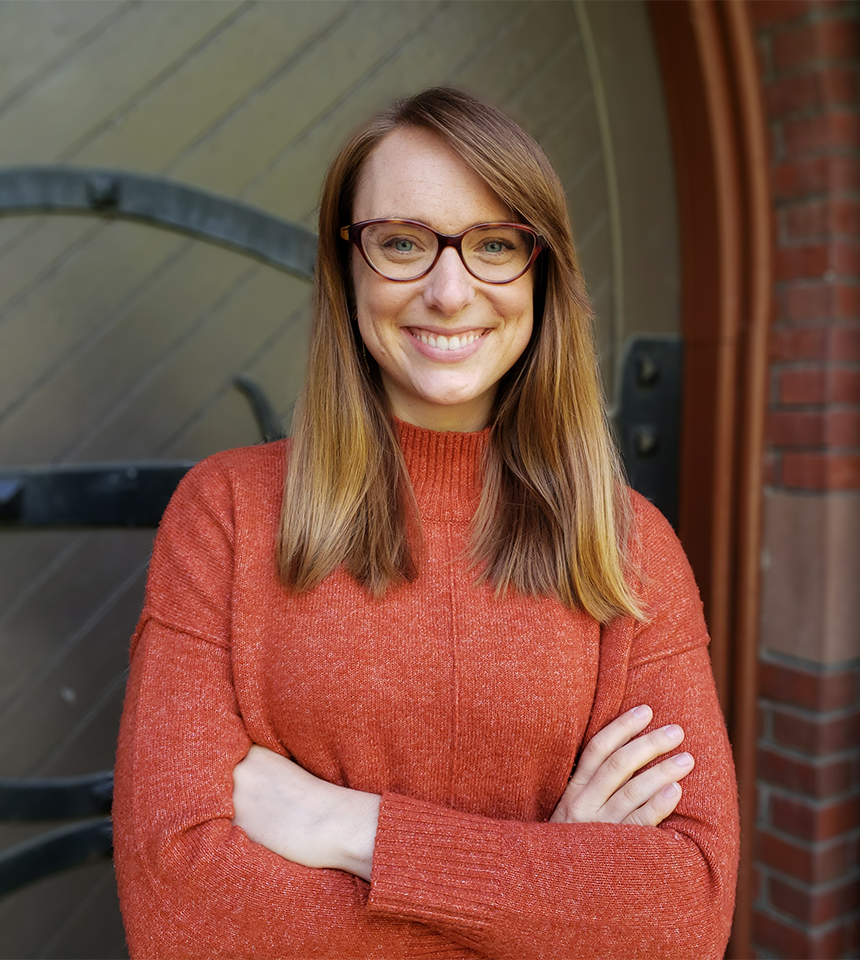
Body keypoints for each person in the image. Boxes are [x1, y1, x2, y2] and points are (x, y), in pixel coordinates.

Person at [113, 87, 739, 959]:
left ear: (542, 273)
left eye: (495, 245)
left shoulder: (628, 547)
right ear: (348, 266)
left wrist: (348, 827)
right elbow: (178, 913)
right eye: (403, 243)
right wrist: (554, 886)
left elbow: (685, 917)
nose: (449, 291)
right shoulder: (225, 516)